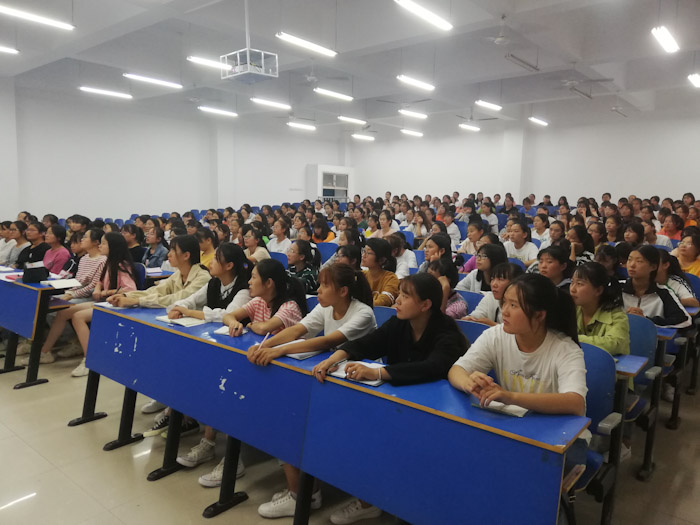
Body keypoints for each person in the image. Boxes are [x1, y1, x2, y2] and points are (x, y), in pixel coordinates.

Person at [313, 273, 469, 525]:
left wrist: (378, 373)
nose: (397, 300)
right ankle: (369, 501)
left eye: (405, 296)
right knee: (355, 429)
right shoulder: (399, 323)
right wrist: (334, 358)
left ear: (425, 305)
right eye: (399, 294)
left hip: (436, 415)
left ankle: (408, 507)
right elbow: (367, 343)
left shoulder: (446, 332)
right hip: (400, 405)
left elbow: (433, 367)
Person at [250, 264, 377, 518]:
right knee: (289, 419)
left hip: (360, 392)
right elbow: (299, 329)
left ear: (343, 291)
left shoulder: (363, 313)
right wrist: (265, 345)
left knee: (312, 429)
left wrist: (279, 350)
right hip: (329, 380)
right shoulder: (325, 306)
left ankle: (312, 495)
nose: (318, 290)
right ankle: (306, 493)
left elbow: (329, 340)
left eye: (325, 285)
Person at [448, 273, 589, 471]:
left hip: (560, 439)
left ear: (539, 315)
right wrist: (469, 383)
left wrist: (510, 397)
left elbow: (575, 403)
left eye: (514, 305)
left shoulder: (565, 349)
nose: (504, 311)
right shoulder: (496, 336)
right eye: (504, 302)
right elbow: (456, 370)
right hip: (514, 428)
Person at [66, 233, 139, 376]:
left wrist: (106, 292)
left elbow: (130, 290)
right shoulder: (108, 262)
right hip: (104, 302)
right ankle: (45, 352)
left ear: (113, 246)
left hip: (117, 305)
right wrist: (98, 289)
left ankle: (90, 360)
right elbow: (99, 281)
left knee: (78, 317)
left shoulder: (121, 265)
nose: (100, 246)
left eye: (104, 243)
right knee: (65, 311)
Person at [109, 235, 211, 309]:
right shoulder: (178, 274)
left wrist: (137, 301)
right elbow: (157, 290)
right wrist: (127, 296)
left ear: (186, 255)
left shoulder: (203, 277)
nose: (169, 254)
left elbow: (178, 298)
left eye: (173, 250)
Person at [221, 258, 307, 338]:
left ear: (268, 283)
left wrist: (250, 325)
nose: (249, 282)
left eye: (254, 277)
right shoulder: (259, 301)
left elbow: (264, 328)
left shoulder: (289, 307)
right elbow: (228, 316)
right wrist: (233, 323)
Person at [570, 262, 630, 356]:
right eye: (572, 282)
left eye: (579, 284)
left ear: (598, 290)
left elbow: (615, 344)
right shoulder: (570, 310)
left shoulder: (616, 315)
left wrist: (573, 338)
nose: (572, 289)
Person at [623, 245, 691, 329]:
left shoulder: (663, 293)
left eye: (639, 261)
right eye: (629, 260)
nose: (632, 265)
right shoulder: (617, 288)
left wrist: (646, 320)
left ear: (653, 267)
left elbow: (684, 320)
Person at [362, 238, 400, 306]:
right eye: (364, 251)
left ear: (382, 259)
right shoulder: (362, 275)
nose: (363, 256)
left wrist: (361, 306)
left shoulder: (391, 278)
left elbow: (384, 301)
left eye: (368, 253)